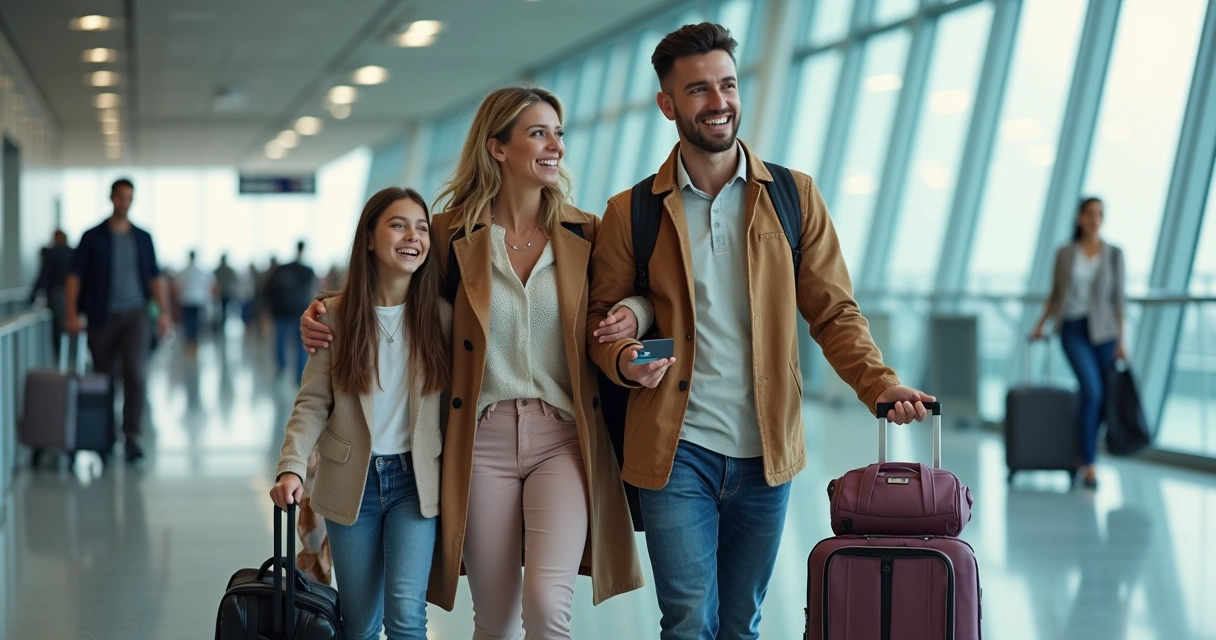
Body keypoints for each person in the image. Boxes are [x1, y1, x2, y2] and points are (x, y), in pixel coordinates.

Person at [586, 23, 935, 640]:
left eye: (727, 84)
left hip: (766, 451)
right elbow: (603, 321)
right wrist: (625, 359)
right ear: (668, 105)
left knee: (742, 623)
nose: (719, 101)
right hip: (675, 449)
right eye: (698, 90)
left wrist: (880, 385)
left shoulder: (793, 196)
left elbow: (833, 311)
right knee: (689, 620)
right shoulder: (632, 211)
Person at [302, 87, 649, 639]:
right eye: (539, 133)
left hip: (561, 439)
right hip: (479, 442)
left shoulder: (586, 233)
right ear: (497, 148)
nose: (556, 145)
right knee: (494, 618)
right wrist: (328, 312)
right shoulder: (450, 234)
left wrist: (633, 312)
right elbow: (392, 289)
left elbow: (632, 295)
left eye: (559, 133)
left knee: (546, 607)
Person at [270, 187, 450, 640]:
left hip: (416, 482)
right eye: (398, 224)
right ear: (369, 238)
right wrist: (291, 467)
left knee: (406, 617)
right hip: (352, 482)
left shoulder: (444, 319)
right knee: (360, 624)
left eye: (422, 227)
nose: (413, 236)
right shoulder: (334, 316)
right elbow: (313, 402)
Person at [64, 178, 173, 462]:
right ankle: (105, 436)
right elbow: (75, 277)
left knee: (135, 373)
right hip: (101, 315)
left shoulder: (142, 237)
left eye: (129, 198)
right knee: (104, 377)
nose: (124, 202)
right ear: (111, 198)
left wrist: (163, 313)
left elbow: (155, 277)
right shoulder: (92, 237)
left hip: (135, 314)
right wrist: (72, 313)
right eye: (120, 197)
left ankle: (132, 436)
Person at [1032, 197, 1125, 490]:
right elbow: (1055, 294)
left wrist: (1122, 340)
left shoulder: (1113, 254)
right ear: (1079, 218)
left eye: (1100, 214)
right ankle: (1090, 462)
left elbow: (1118, 300)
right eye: (1091, 214)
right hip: (1072, 329)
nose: (1096, 219)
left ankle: (1081, 457)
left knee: (1095, 398)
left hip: (1105, 333)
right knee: (1092, 389)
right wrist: (1040, 325)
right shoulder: (1065, 253)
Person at [266, 242, 316, 383]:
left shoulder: (282, 268)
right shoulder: (308, 270)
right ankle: (299, 372)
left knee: (280, 340)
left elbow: (268, 290)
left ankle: (281, 367)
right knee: (301, 343)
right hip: (300, 311)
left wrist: (269, 310)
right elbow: (313, 292)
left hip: (281, 311)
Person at [28, 230, 74, 359]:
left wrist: (32, 297)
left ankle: (60, 357)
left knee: (58, 328)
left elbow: (43, 275)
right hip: (72, 295)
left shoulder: (52, 252)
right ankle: (71, 357)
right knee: (69, 326)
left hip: (58, 293)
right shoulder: (73, 252)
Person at [176, 250, 212, 354]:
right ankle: (194, 340)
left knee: (188, 321)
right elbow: (209, 285)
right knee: (196, 321)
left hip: (186, 299)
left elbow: (177, 285)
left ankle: (189, 340)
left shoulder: (184, 271)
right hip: (198, 299)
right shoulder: (201, 271)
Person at [214, 253, 240, 333]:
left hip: (220, 293)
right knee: (224, 310)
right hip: (227, 292)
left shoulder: (217, 270)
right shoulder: (229, 270)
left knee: (220, 310)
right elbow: (235, 280)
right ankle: (222, 325)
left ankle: (220, 326)